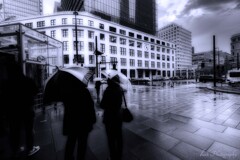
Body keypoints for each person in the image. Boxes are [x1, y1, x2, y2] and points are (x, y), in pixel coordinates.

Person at [3, 62, 40, 158]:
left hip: (13, 111)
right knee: (29, 130)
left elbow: (4, 98)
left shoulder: (7, 83)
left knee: (14, 131)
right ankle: (29, 148)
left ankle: (15, 150)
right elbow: (36, 91)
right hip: (27, 109)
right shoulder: (28, 80)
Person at [61, 76, 96, 160]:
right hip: (83, 123)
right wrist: (93, 119)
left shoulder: (68, 92)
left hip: (72, 122)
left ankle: (68, 157)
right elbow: (90, 107)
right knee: (82, 144)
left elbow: (67, 108)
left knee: (71, 142)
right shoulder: (84, 92)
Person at [100, 75, 123, 160]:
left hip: (109, 116)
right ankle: (119, 155)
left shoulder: (108, 91)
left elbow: (102, 105)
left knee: (111, 138)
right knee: (119, 137)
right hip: (118, 116)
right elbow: (120, 103)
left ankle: (113, 156)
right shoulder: (120, 89)